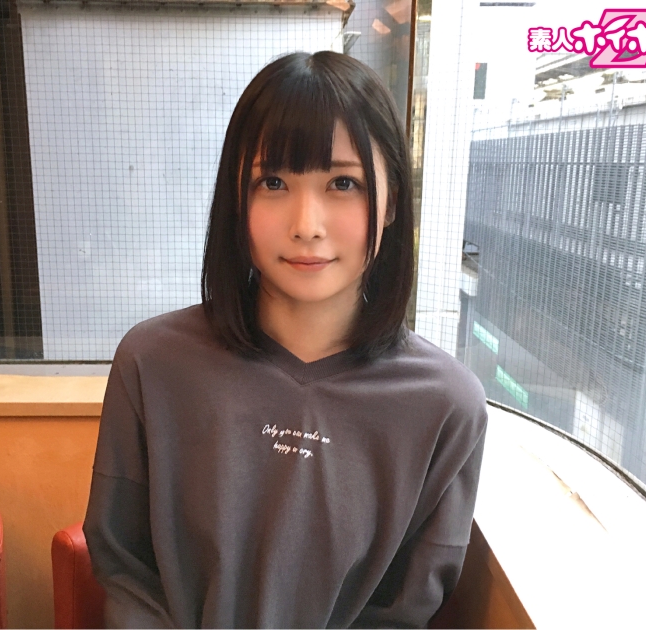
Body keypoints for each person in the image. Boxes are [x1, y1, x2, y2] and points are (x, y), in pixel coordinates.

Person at [82, 50, 488, 629]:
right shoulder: (152, 362)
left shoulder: (446, 405)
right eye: (273, 182)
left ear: (392, 201)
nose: (306, 225)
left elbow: (402, 611)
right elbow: (126, 571)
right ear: (237, 198)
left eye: (343, 183)